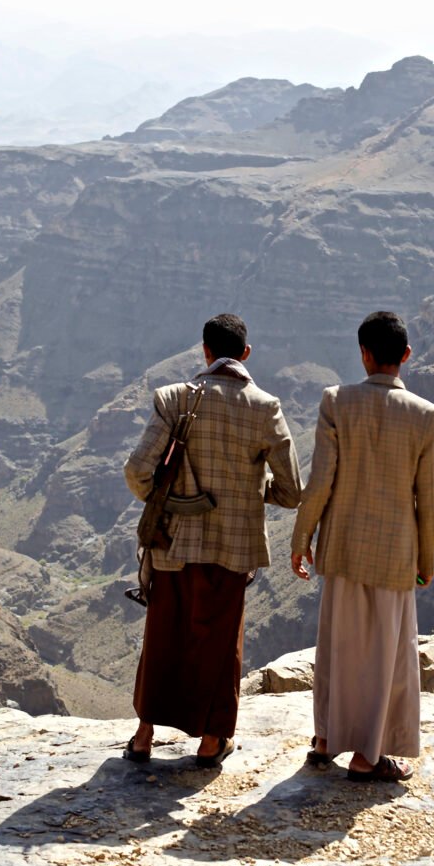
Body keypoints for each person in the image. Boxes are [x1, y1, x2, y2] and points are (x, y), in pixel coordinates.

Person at [123, 313, 302, 767]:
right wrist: (247, 491)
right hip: (232, 548)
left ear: (204, 351)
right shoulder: (265, 407)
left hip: (172, 542)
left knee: (164, 634)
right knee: (220, 643)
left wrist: (162, 497)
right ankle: (211, 741)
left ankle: (144, 736)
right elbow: (291, 490)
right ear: (245, 354)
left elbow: (137, 470)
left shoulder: (174, 399)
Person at [290, 311, 434, 783]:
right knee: (385, 656)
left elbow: (320, 482)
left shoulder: (336, 402)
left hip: (341, 546)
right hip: (395, 553)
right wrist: (426, 559)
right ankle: (368, 756)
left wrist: (303, 538)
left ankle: (325, 739)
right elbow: (431, 501)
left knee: (336, 645)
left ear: (363, 353)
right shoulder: (425, 416)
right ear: (406, 355)